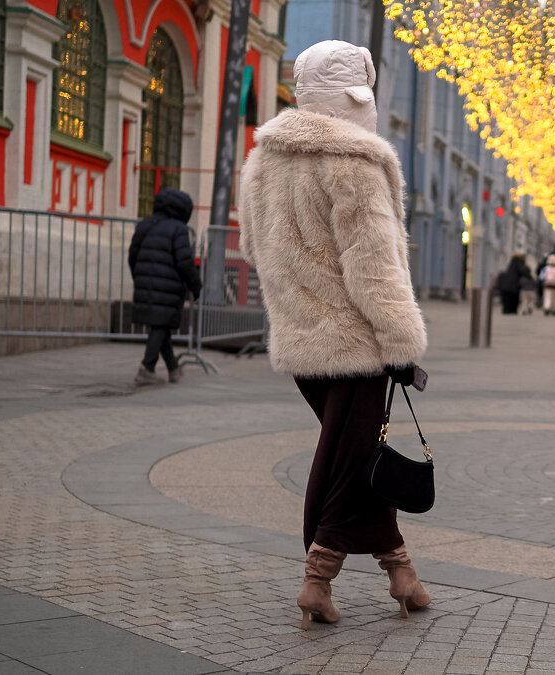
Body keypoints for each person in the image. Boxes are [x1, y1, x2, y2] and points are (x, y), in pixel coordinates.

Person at [237, 40, 431, 629]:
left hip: (301, 342)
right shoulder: (355, 162)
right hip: (356, 344)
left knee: (355, 452)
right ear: (358, 97)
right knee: (346, 465)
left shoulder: (262, 160)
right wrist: (402, 344)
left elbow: (253, 249)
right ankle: (316, 580)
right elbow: (374, 267)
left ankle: (403, 573)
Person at [128, 187, 202, 385]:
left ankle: (173, 368)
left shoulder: (144, 225)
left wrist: (140, 277)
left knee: (161, 326)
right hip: (168, 286)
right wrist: (196, 285)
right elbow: (184, 261)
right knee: (160, 325)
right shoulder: (178, 229)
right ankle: (147, 367)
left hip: (146, 282)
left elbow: (132, 255)